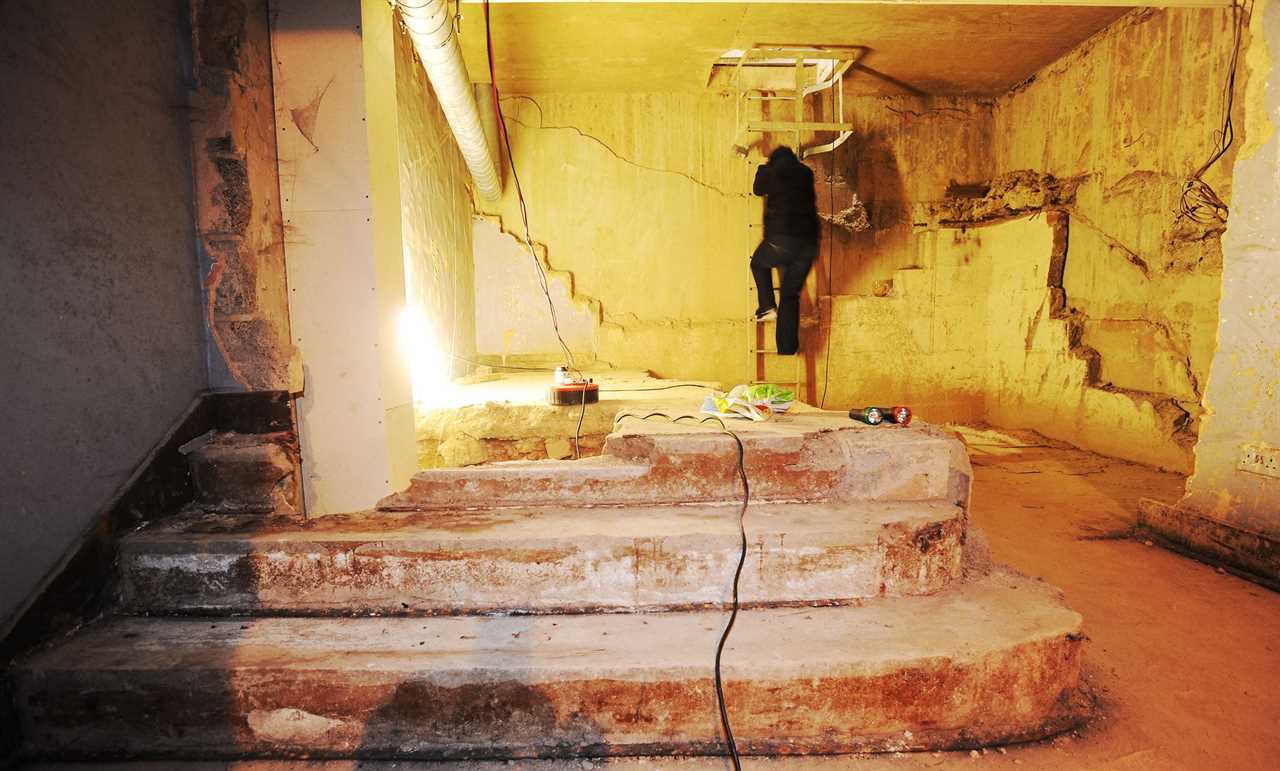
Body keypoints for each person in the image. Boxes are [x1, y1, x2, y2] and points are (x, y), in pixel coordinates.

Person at [751, 146, 818, 356]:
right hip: (808, 245)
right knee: (790, 296)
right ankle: (787, 348)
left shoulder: (771, 172)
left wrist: (762, 168)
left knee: (758, 263)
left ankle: (767, 306)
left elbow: (757, 189)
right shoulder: (806, 173)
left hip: (781, 239)